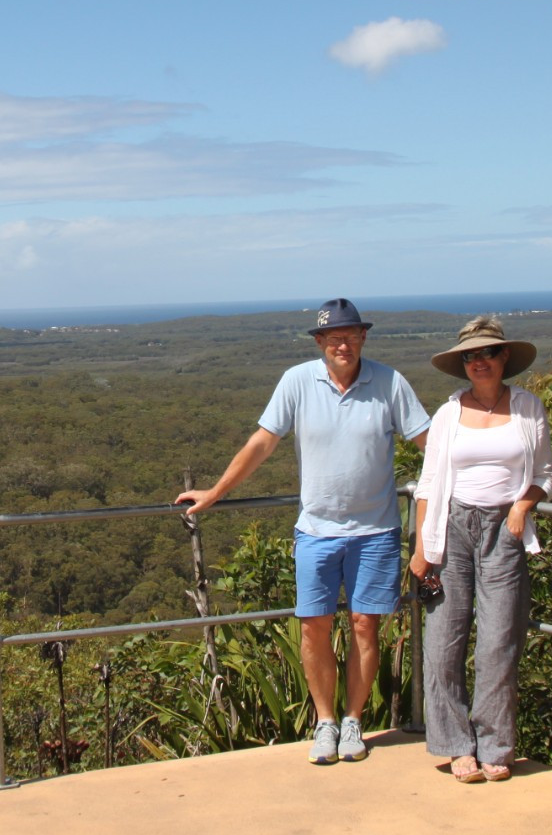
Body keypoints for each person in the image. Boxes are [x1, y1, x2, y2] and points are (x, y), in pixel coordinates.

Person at [176, 297, 429, 765]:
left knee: (364, 625)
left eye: (351, 335)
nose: (343, 344)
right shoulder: (297, 381)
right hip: (315, 530)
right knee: (312, 628)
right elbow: (263, 442)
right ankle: (326, 722)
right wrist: (216, 492)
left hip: (375, 531)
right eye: (333, 337)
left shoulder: (390, 382)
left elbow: (429, 443)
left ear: (363, 338)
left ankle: (354, 721)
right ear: (319, 342)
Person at [409, 315, 552, 783]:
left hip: (503, 532)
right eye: (470, 356)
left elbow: (545, 474)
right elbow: (429, 482)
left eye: (488, 353)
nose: (479, 362)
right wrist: (421, 547)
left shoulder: (529, 408)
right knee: (443, 640)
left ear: (504, 356)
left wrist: (522, 506)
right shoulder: (449, 413)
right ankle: (455, 745)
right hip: (451, 528)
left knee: (498, 641)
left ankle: (495, 746)